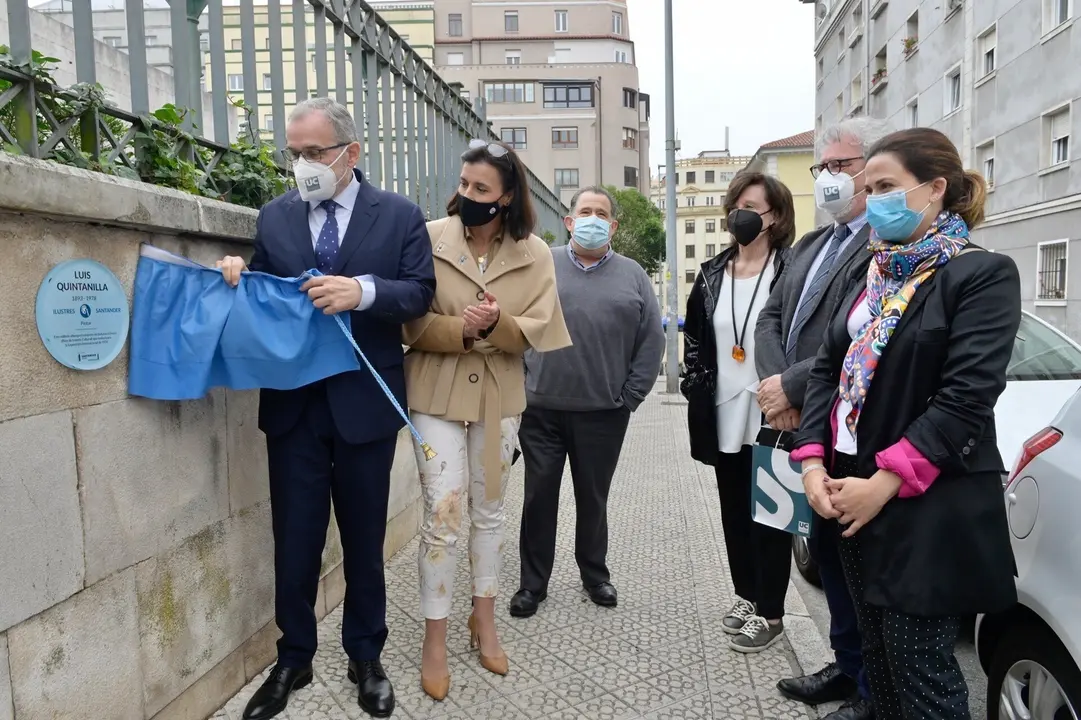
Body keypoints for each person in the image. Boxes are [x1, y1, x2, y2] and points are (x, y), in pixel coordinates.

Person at [790, 127, 1020, 719]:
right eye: (871, 188)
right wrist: (813, 461)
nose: (873, 199)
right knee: (879, 663)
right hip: (849, 492)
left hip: (923, 504)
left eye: (887, 186)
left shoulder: (980, 274)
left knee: (923, 676)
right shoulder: (876, 272)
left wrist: (884, 483)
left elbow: (966, 398)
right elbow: (826, 373)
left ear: (936, 189)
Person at [217, 98, 435, 720]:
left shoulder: (397, 216)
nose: (304, 164)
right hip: (294, 410)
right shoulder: (275, 217)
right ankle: (293, 658)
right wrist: (237, 273)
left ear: (350, 153)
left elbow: (420, 293)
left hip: (364, 407)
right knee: (296, 541)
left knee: (364, 541)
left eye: (315, 152)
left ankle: (366, 656)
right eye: (295, 153)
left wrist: (361, 292)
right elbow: (263, 291)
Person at [401, 139, 571, 701]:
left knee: (489, 511)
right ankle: (434, 637)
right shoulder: (427, 238)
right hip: (434, 391)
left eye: (482, 190)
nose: (468, 196)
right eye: (464, 184)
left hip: (499, 395)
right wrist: (463, 329)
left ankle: (485, 619)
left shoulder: (536, 254)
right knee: (443, 510)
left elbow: (543, 328)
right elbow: (407, 321)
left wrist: (498, 323)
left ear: (507, 198)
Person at [756, 117, 892, 720]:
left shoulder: (884, 245)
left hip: (848, 425)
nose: (830, 178)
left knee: (860, 567)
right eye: (822, 168)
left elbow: (851, 344)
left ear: (874, 169)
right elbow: (769, 317)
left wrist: (789, 385)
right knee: (826, 553)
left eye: (842, 165)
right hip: (804, 423)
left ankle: (871, 688)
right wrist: (774, 386)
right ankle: (845, 662)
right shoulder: (812, 243)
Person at [509, 186, 665, 618]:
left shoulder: (633, 275)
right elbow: (515, 323)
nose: (593, 219)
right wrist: (522, 384)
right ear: (569, 221)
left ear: (612, 226)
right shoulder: (543, 265)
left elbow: (651, 341)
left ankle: (595, 574)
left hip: (603, 413)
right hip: (540, 410)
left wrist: (630, 397)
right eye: (585, 211)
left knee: (593, 498)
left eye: (601, 213)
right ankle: (532, 584)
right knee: (538, 497)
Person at [680, 171, 795, 652]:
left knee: (772, 514)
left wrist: (791, 391)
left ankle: (771, 613)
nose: (742, 214)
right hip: (723, 410)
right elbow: (694, 338)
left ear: (775, 217)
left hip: (774, 412)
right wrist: (694, 386)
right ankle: (747, 595)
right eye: (737, 205)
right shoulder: (711, 272)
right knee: (733, 511)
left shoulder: (791, 270)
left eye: (755, 206)